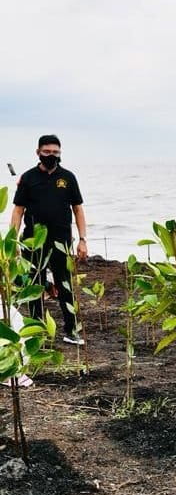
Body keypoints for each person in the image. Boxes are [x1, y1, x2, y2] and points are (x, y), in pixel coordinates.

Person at [9, 134, 88, 345]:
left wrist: (82, 239)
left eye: (55, 152)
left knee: (65, 284)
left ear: (60, 153)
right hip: (33, 241)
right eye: (47, 152)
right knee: (35, 284)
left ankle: (71, 330)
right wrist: (13, 241)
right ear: (38, 153)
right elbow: (18, 211)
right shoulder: (27, 178)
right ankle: (37, 330)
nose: (51, 156)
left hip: (61, 240)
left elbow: (78, 209)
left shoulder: (68, 177)